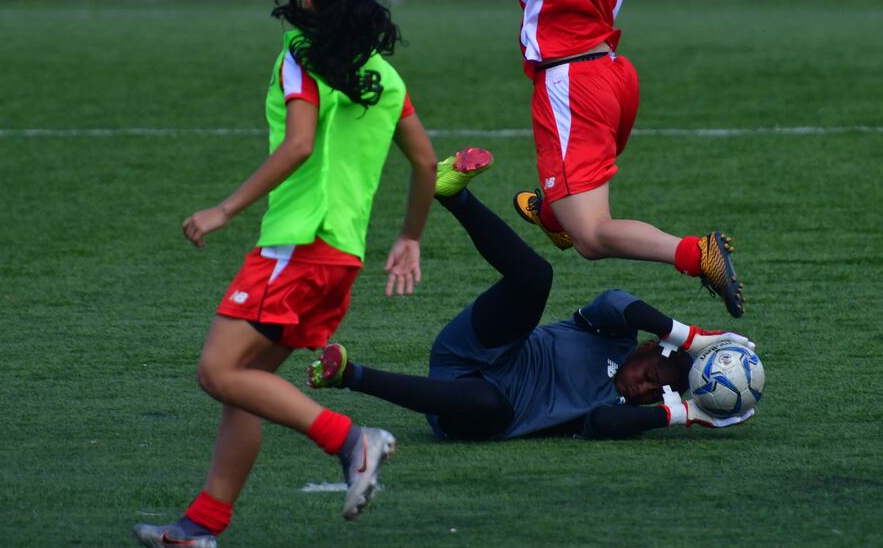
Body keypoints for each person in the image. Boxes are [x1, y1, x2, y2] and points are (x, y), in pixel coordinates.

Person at [398, 0, 789, 319]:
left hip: (570, 87)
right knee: (572, 212)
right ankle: (553, 212)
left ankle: (697, 254)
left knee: (592, 237)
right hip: (615, 79)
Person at [133, 0, 444, 548]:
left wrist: (224, 209)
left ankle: (351, 440)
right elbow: (428, 163)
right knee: (245, 386)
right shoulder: (386, 76)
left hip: (298, 246)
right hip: (341, 257)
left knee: (218, 371)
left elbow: (300, 144)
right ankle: (201, 526)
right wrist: (409, 236)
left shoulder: (300, 57)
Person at [306, 149, 757, 441]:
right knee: (536, 277)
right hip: (478, 349)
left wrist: (685, 413)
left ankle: (351, 375)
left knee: (492, 404)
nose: (645, 387)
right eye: (654, 372)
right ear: (648, 345)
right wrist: (688, 335)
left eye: (658, 392)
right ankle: (451, 194)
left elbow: (600, 425)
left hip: (467, 406)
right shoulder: (611, 333)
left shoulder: (620, 409)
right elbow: (619, 300)